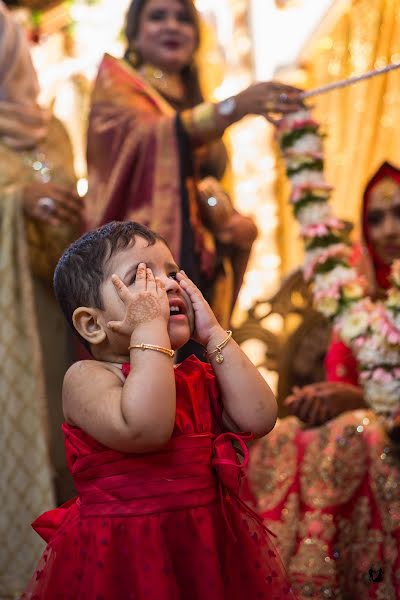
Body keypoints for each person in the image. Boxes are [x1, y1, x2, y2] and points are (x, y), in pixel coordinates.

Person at [22, 220, 297, 599]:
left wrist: (214, 334)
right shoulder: (87, 378)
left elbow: (260, 417)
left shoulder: (193, 376)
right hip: (123, 554)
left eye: (172, 273)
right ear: (92, 324)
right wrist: (151, 326)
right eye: (142, 277)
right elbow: (145, 429)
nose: (168, 285)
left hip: (207, 543)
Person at [86, 0, 304, 343]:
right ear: (134, 34)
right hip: (141, 269)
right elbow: (147, 138)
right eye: (158, 17)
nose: (172, 26)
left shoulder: (192, 98)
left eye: (183, 19)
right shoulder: (117, 88)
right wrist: (233, 107)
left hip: (201, 264)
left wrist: (229, 222)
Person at [246, 162, 400, 599]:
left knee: (363, 434)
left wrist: (355, 401)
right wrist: (323, 399)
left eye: (399, 214)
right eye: (376, 218)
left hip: (383, 433)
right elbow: (341, 373)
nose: (388, 229)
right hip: (357, 426)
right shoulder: (355, 296)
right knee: (283, 435)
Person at [0, 2, 82, 596]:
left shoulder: (52, 127)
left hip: (51, 311)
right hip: (5, 329)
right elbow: (25, 195)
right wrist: (16, 200)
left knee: (63, 439)